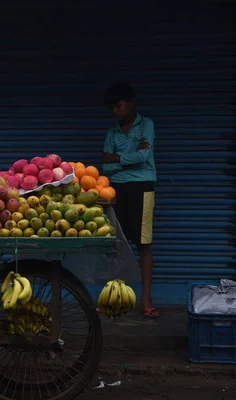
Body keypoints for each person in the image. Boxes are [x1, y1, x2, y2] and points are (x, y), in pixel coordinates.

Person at [101, 82, 158, 318]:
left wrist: (118, 158)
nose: (115, 111)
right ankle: (112, 298)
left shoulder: (147, 125)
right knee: (115, 244)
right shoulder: (111, 133)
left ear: (131, 103)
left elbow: (145, 155)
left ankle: (146, 298)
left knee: (143, 244)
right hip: (115, 190)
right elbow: (105, 163)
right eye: (111, 107)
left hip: (143, 188)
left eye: (118, 106)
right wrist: (131, 158)